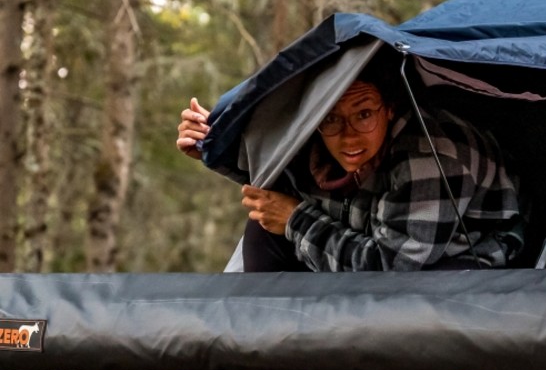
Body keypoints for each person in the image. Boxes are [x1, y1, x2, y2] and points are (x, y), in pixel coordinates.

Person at [176, 66, 524, 273]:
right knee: (265, 227)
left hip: (462, 268)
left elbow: (391, 270)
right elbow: (276, 185)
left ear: (389, 109)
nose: (348, 136)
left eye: (363, 114)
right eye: (331, 118)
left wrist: (297, 220)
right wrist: (212, 147)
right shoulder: (320, 138)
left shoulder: (432, 154)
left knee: (288, 223)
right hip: (378, 244)